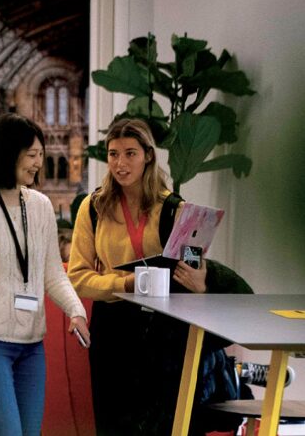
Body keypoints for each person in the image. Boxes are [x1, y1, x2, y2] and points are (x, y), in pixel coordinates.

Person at [67, 118, 212, 435]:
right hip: (113, 326)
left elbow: (194, 270)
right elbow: (78, 276)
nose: (120, 164)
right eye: (113, 154)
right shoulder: (93, 207)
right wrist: (126, 284)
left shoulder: (175, 209)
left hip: (165, 328)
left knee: (164, 422)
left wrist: (200, 284)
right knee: (114, 421)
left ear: (148, 154)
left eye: (130, 153)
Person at [0, 113, 89, 436]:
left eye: (40, 155)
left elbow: (52, 272)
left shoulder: (40, 206)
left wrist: (76, 311)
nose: (38, 163)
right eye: (31, 155)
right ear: (8, 153)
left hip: (31, 345)